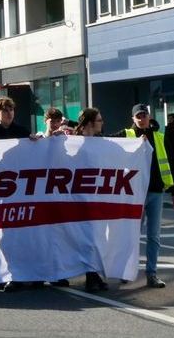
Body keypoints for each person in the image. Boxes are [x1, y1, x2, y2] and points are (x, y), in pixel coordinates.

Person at [109, 104, 174, 289]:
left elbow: (171, 163)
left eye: (144, 115)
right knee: (131, 234)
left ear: (149, 117)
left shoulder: (160, 137)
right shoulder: (126, 135)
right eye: (138, 116)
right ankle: (125, 270)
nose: (141, 118)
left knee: (154, 236)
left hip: (156, 191)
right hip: (135, 193)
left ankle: (151, 274)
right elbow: (101, 141)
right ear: (133, 118)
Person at [70, 108, 110, 292]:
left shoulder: (101, 142)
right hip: (80, 197)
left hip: (97, 196)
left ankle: (94, 274)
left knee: (97, 237)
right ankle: (90, 276)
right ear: (89, 123)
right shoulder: (74, 142)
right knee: (87, 237)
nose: (102, 123)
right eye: (99, 120)